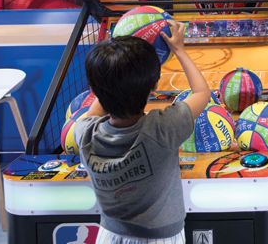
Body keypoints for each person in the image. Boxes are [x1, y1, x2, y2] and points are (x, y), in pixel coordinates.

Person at [74, 20, 210, 244]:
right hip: (161, 238)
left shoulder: (83, 133)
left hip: (109, 235)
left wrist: (114, 70)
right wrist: (179, 50)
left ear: (93, 89)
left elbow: (100, 101)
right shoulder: (163, 128)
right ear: (154, 87)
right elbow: (202, 93)